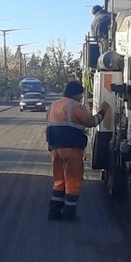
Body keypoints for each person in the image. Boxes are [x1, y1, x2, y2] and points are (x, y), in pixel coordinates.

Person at [45, 81, 111, 221]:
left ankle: (54, 212)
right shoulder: (74, 106)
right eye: (80, 95)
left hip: (55, 148)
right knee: (73, 182)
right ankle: (69, 213)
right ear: (76, 94)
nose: (81, 98)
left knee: (59, 181)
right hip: (72, 149)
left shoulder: (53, 106)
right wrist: (103, 110)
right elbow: (91, 122)